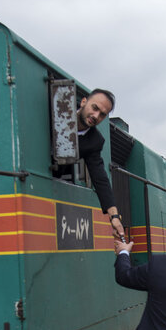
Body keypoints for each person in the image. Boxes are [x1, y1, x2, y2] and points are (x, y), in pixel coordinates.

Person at [75, 88, 126, 241]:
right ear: (83, 102)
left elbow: (100, 178)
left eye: (102, 114)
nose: (96, 116)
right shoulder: (57, 111)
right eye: (95, 108)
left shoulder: (95, 142)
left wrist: (114, 217)